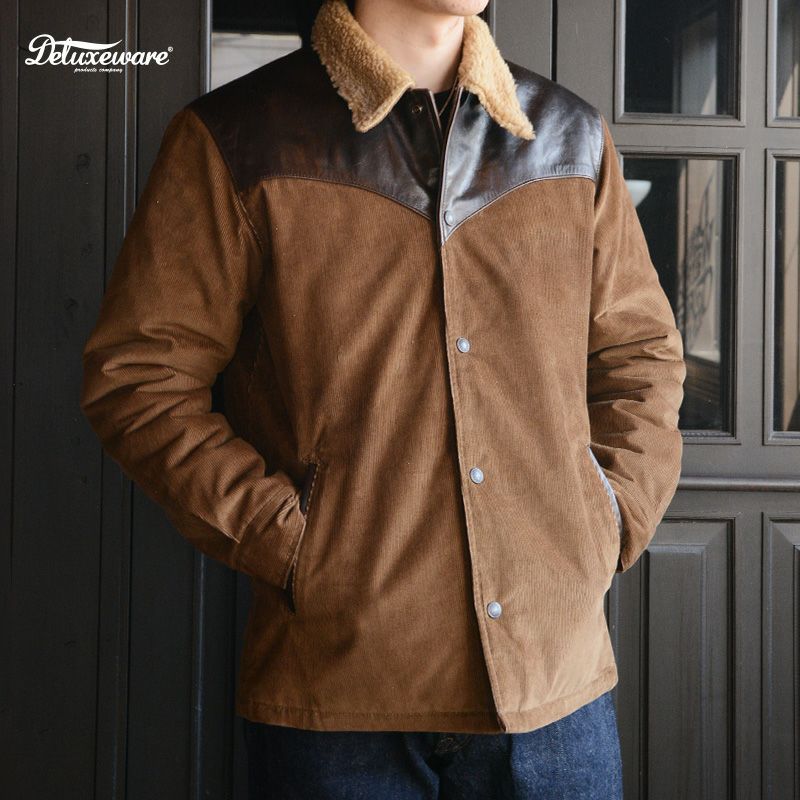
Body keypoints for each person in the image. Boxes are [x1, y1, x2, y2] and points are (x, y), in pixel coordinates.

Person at [80, 0, 686, 796]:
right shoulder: (239, 138)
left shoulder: (569, 137)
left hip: (554, 693)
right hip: (337, 695)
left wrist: (605, 519)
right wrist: (291, 547)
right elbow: (140, 378)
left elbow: (640, 357)